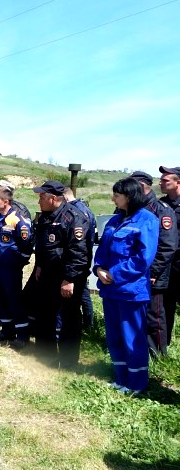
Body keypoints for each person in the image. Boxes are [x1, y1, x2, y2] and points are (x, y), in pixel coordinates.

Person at [94, 177, 159, 394]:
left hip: (130, 291)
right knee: (114, 336)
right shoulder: (115, 220)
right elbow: (102, 250)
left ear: (129, 197)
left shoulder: (147, 220)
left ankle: (137, 383)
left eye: (117, 195)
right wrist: (99, 269)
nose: (113, 199)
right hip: (110, 290)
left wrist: (115, 274)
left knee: (132, 338)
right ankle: (121, 378)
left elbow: (143, 258)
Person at [30, 180, 89, 368]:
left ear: (53, 198)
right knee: (45, 313)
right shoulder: (45, 217)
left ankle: (68, 361)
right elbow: (43, 246)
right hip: (48, 274)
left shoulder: (73, 218)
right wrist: (40, 265)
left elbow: (79, 252)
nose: (39, 201)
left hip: (66, 277)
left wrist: (69, 279)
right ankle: (45, 354)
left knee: (69, 318)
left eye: (42, 197)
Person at [130, 171, 177, 357]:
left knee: (153, 316)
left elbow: (167, 246)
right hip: (134, 272)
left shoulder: (161, 210)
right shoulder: (133, 208)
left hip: (152, 275)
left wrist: (153, 272)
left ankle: (157, 355)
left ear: (141, 187)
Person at [0, 188, 33, 348]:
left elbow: (27, 243)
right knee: (0, 299)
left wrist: (18, 261)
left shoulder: (17, 219)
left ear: (5, 201)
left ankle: (22, 336)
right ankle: (6, 331)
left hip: (10, 269)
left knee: (14, 300)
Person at [63, 187, 97, 329]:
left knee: (81, 291)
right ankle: (88, 323)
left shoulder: (75, 211)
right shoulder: (85, 209)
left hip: (80, 255)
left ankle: (85, 324)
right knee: (83, 290)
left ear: (64, 197)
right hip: (85, 254)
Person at [159, 165, 180, 347]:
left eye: (165, 180)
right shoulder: (161, 205)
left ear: (178, 182)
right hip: (167, 264)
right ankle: (163, 347)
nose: (161, 183)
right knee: (166, 306)